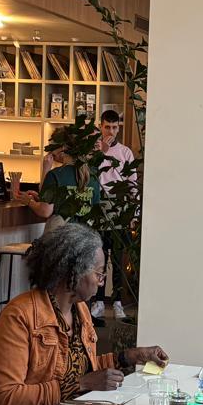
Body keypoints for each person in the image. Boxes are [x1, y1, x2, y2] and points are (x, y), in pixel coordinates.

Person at [0, 223, 168, 405]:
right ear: (73, 273)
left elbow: (85, 369)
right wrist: (80, 384)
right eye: (99, 274)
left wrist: (130, 356)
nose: (101, 282)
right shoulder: (19, 316)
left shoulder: (80, 310)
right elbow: (4, 398)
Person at [92, 109, 136, 322]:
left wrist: (134, 212)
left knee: (118, 258)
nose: (111, 131)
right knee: (99, 256)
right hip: (99, 205)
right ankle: (99, 301)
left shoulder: (125, 152)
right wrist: (101, 152)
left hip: (119, 207)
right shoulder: (94, 151)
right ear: (101, 126)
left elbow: (132, 183)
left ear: (119, 128)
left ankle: (117, 302)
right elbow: (89, 174)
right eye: (107, 127)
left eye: (115, 127)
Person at [9, 129, 99, 229]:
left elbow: (45, 211)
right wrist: (41, 198)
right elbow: (93, 211)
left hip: (60, 235)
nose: (50, 151)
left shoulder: (55, 175)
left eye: (52, 146)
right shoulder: (93, 176)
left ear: (63, 148)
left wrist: (29, 201)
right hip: (85, 235)